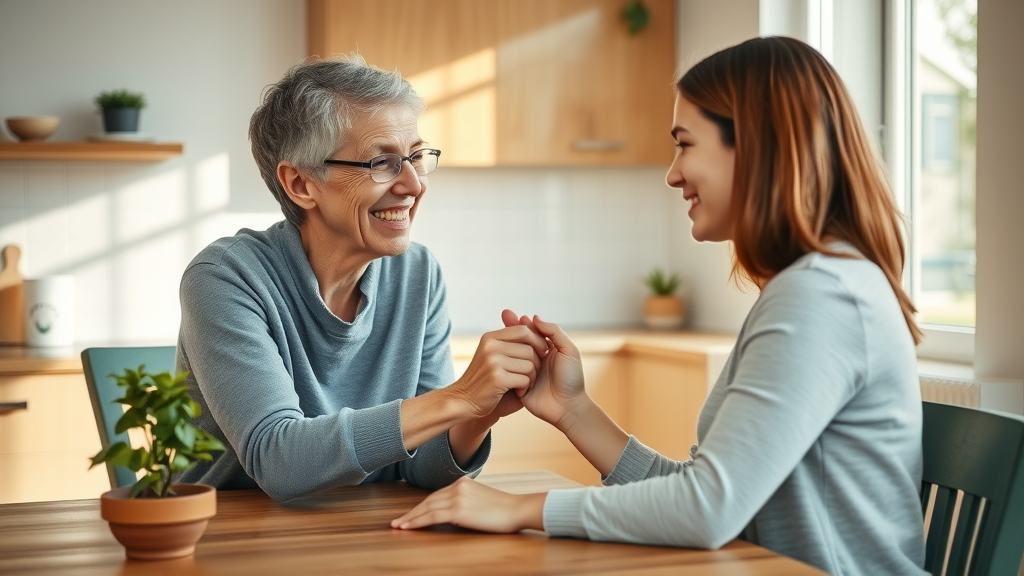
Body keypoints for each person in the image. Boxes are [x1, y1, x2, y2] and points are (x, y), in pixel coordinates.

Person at [393, 37, 928, 576]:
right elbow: (700, 500)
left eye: (685, 144)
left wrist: (521, 508)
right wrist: (573, 410)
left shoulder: (821, 296)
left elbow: (708, 512)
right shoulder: (821, 285)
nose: (672, 173)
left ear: (756, 146)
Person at [176, 55, 547, 502]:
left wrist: (478, 411)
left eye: (415, 157)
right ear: (300, 184)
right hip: (233, 538)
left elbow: (422, 468)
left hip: (368, 533)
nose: (413, 185)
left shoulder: (417, 274)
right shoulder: (227, 278)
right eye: (382, 163)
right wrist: (459, 397)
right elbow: (279, 462)